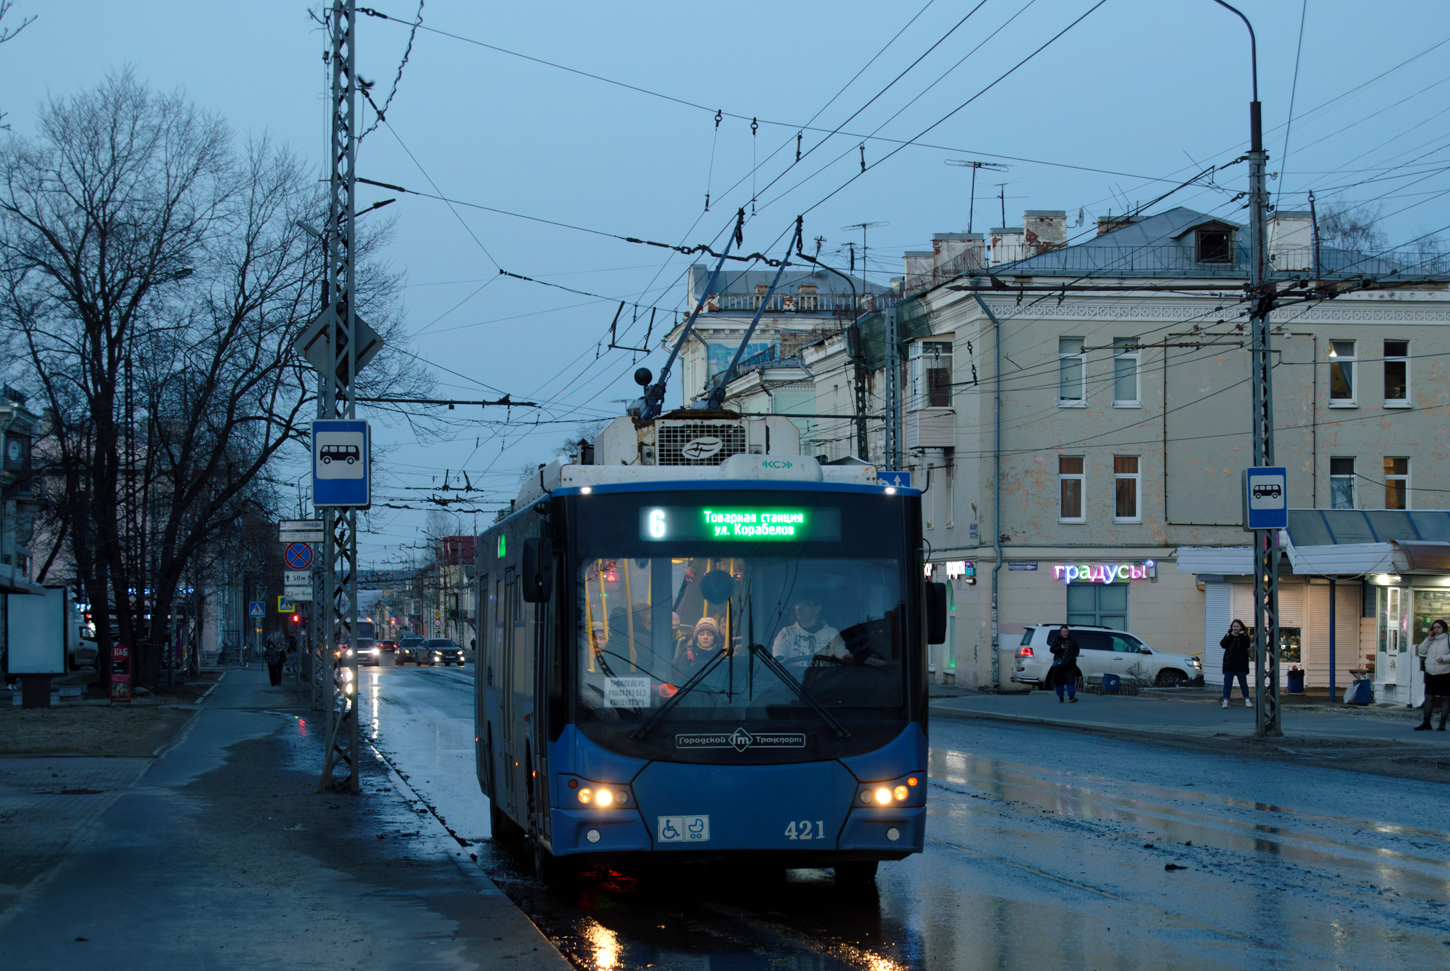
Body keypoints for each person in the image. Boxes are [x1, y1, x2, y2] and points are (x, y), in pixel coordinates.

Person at [771, 589, 848, 663]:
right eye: (797, 605)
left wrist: (846, 657)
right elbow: (778, 655)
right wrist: (779, 660)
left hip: (824, 676)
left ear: (817, 609)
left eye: (804, 605)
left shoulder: (831, 633)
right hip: (791, 676)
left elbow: (841, 652)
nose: (799, 609)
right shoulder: (787, 633)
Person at [1414, 618, 1450, 731]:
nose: (1436, 630)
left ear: (1444, 628)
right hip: (1430, 672)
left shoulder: (1448, 639)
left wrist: (1444, 658)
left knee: (1445, 697)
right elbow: (1421, 651)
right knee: (1429, 697)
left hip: (1445, 672)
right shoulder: (1431, 640)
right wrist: (1428, 640)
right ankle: (1426, 722)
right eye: (1434, 628)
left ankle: (1442, 722)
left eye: (1438, 627)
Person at [1220, 619, 1253, 709]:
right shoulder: (1229, 635)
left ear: (1241, 627)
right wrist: (1231, 636)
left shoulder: (1244, 636)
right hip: (1229, 664)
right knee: (1227, 683)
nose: (1235, 628)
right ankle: (1226, 700)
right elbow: (1223, 644)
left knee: (1243, 683)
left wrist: (1241, 636)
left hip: (1240, 665)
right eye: (1234, 626)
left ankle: (1247, 700)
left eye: (1237, 626)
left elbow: (1246, 645)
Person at [1048, 625, 1081, 703]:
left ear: (1068, 632)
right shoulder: (1057, 639)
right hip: (1059, 664)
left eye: (1066, 631)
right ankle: (1061, 697)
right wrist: (1060, 647)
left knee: (1070, 680)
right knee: (1058, 680)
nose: (1065, 633)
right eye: (1063, 632)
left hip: (1070, 664)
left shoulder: (1071, 639)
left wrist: (1074, 655)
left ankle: (1071, 697)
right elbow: (1052, 649)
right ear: (1060, 632)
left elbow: (1077, 648)